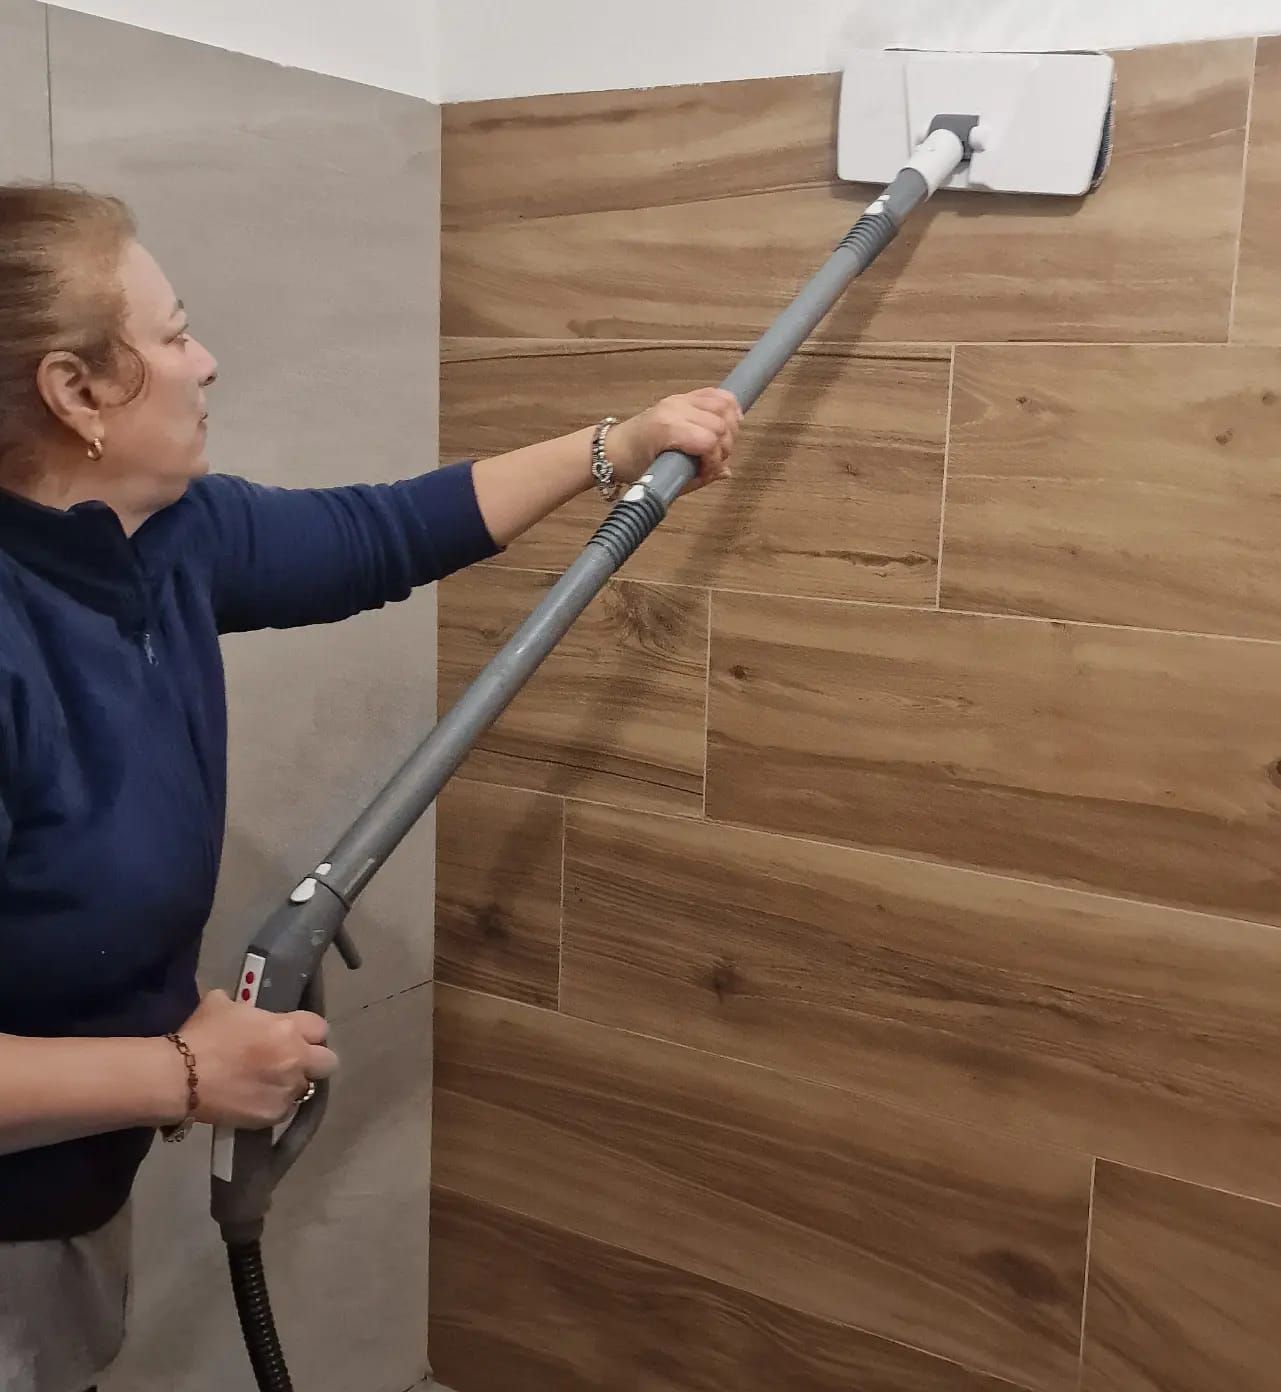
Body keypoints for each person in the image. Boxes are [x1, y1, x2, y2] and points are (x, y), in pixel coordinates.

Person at [0, 183, 741, 1392]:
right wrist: (182, 1072)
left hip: (65, 1198)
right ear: (75, 393)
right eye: (174, 335)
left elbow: (379, 535)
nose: (207, 361)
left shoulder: (165, 538)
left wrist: (620, 445)